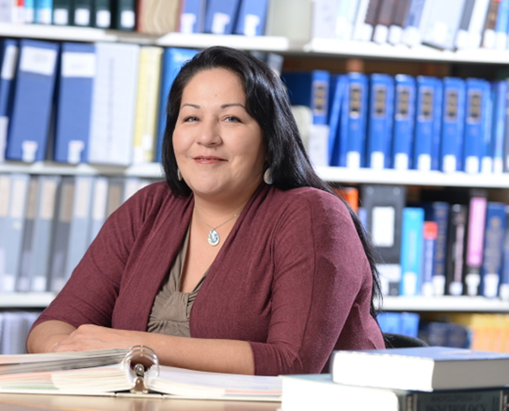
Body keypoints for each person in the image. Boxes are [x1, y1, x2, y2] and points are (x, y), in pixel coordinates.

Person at [26, 46, 385, 376]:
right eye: (191, 118)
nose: (207, 137)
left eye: (231, 119)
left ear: (270, 140)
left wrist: (132, 347)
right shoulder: (148, 209)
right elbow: (52, 325)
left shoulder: (311, 217)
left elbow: (290, 362)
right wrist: (73, 349)